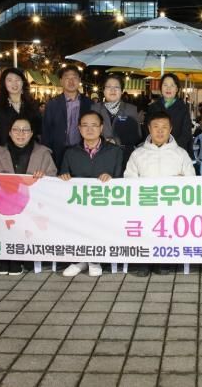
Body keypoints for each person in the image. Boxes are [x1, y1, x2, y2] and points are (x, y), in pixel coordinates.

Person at [0, 116, 57, 275]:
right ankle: (4, 256)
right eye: (16, 130)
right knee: (4, 219)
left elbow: (53, 178)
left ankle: (18, 258)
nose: (20, 133)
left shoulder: (44, 153)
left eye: (25, 130)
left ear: (31, 133)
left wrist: (44, 176)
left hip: (32, 206)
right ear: (10, 132)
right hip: (5, 206)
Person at [125, 112, 195, 276]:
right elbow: (129, 179)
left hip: (171, 206)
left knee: (167, 229)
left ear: (170, 129)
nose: (160, 131)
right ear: (149, 129)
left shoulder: (181, 153)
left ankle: (164, 260)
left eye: (164, 127)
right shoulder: (138, 154)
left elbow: (191, 180)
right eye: (156, 127)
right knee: (143, 229)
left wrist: (181, 181)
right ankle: (143, 261)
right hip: (145, 205)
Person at [59, 110, 124, 278]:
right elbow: (62, 177)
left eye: (94, 125)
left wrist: (110, 178)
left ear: (101, 128)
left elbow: (120, 179)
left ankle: (95, 260)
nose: (89, 129)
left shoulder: (115, 151)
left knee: (100, 225)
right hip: (78, 205)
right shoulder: (70, 152)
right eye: (85, 125)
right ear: (79, 128)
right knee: (76, 224)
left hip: (104, 204)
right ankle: (80, 260)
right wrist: (64, 177)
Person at [0, 68, 41, 151]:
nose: (14, 83)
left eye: (17, 80)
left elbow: (40, 128)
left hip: (31, 150)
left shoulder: (32, 104)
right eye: (9, 80)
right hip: (7, 151)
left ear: (23, 82)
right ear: (4, 83)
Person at [42, 66, 93, 167]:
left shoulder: (89, 104)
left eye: (74, 77)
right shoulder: (52, 104)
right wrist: (46, 153)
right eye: (67, 78)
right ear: (61, 81)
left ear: (79, 80)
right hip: (58, 152)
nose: (71, 81)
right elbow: (46, 131)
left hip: (83, 151)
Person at [92, 74, 142, 168]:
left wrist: (116, 141)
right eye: (109, 87)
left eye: (116, 87)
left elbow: (137, 136)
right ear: (103, 90)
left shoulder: (131, 109)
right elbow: (89, 132)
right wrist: (103, 142)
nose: (113, 90)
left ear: (122, 91)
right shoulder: (95, 109)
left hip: (124, 157)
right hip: (100, 156)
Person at [145, 73, 193, 158]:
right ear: (161, 88)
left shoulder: (183, 108)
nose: (168, 88)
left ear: (177, 89)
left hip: (177, 152)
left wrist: (172, 148)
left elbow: (186, 134)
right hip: (155, 152)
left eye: (172, 85)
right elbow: (147, 129)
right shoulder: (153, 107)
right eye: (165, 85)